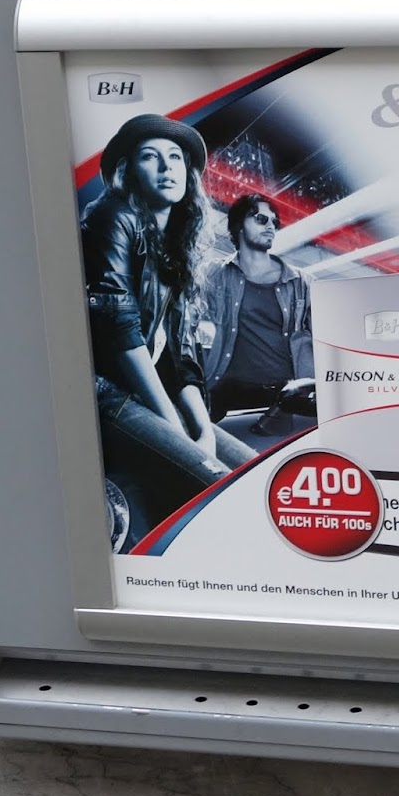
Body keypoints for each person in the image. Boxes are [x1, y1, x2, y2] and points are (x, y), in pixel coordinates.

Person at [81, 115, 256, 528]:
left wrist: (202, 427)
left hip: (149, 394)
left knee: (258, 475)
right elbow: (118, 328)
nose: (166, 167)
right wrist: (173, 423)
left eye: (175, 157)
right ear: (127, 171)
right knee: (224, 492)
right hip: (106, 392)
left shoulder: (174, 243)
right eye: (150, 157)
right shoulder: (114, 216)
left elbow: (181, 351)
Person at [200, 193, 314, 422]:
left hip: (286, 397)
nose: (271, 226)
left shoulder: (301, 281)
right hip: (225, 397)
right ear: (239, 225)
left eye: (274, 222)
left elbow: (327, 341)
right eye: (261, 219)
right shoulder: (213, 275)